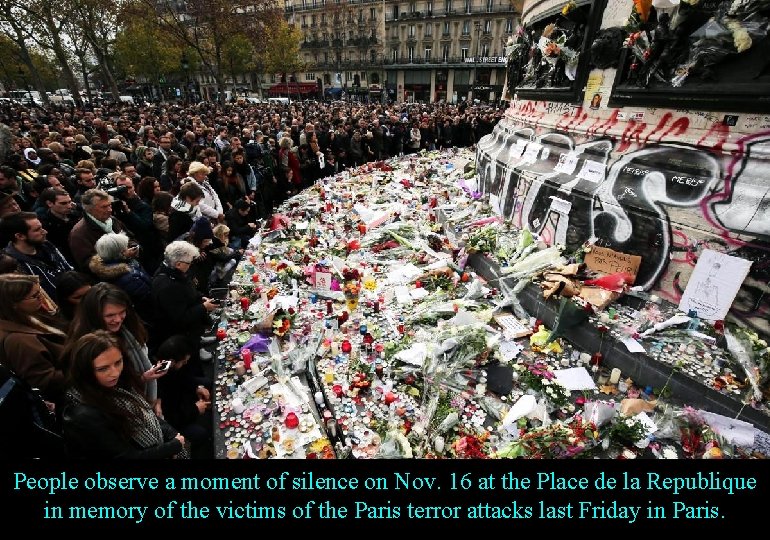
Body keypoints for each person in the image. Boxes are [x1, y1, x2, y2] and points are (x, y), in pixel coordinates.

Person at [62, 331, 186, 459]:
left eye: (118, 362)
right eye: (103, 369)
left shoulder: (117, 383)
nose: (115, 373)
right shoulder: (83, 415)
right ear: (85, 370)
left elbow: (146, 414)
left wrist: (172, 434)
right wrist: (171, 447)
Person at [66, 283, 165, 414]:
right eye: (110, 315)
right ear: (94, 314)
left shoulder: (127, 329)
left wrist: (146, 379)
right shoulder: (86, 347)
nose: (118, 319)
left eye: (122, 312)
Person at [0, 274, 68, 406]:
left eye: (39, 292)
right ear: (13, 304)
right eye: (34, 296)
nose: (41, 298)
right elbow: (45, 381)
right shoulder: (18, 340)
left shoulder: (27, 315)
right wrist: (83, 367)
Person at [152, 241, 219, 366]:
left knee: (196, 333)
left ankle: (199, 340)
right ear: (178, 264)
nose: (191, 265)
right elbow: (180, 318)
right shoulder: (167, 286)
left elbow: (189, 290)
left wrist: (201, 298)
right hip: (181, 332)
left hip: (192, 324)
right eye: (189, 262)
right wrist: (203, 307)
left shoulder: (174, 272)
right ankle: (196, 350)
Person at [154, 335, 212, 459]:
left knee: (206, 383)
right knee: (201, 433)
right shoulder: (161, 381)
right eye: (183, 361)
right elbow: (173, 416)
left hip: (182, 403)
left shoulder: (173, 367)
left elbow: (184, 379)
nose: (186, 363)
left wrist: (196, 388)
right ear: (173, 361)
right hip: (174, 422)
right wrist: (195, 409)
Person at [0, 211, 73, 297]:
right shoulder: (14, 266)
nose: (45, 232)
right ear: (20, 236)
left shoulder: (47, 245)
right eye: (37, 230)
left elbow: (68, 269)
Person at [88, 233, 153, 322]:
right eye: (125, 247)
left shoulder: (108, 266)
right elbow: (149, 299)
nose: (128, 248)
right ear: (121, 252)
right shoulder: (130, 278)